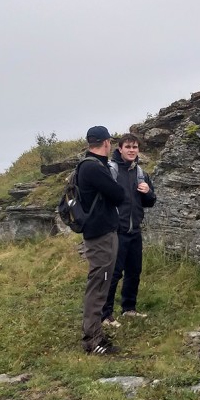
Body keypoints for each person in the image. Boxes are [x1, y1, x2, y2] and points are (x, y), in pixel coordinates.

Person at [77, 125, 125, 355]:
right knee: (98, 285)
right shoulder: (93, 168)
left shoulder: (89, 166)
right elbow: (118, 195)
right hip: (100, 235)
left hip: (99, 232)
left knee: (100, 282)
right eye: (110, 142)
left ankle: (95, 334)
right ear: (106, 142)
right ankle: (92, 340)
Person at [101, 133, 156, 327]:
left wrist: (148, 192)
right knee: (114, 273)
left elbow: (151, 202)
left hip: (135, 231)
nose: (132, 150)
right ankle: (105, 315)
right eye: (128, 147)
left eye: (135, 147)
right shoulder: (111, 170)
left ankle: (129, 309)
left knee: (134, 271)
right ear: (120, 149)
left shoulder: (141, 173)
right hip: (117, 231)